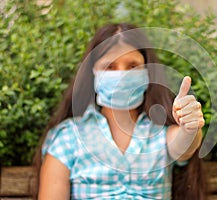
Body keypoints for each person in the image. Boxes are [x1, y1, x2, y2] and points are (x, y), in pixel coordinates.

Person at [33, 23, 207, 200]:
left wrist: (190, 126)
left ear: (147, 72)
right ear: (93, 72)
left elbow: (184, 145)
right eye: (110, 67)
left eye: (132, 66)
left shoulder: (159, 134)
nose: (122, 75)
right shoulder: (68, 138)